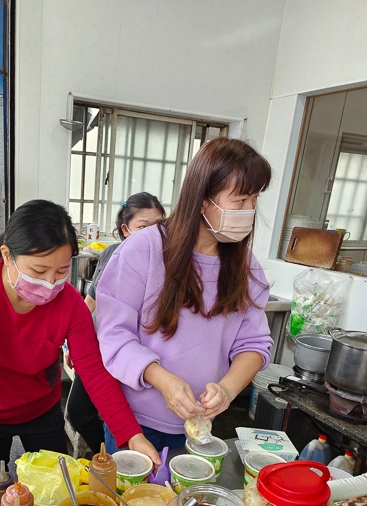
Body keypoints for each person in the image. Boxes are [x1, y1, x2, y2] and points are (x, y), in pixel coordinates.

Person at [0, 199, 160, 482]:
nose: (49, 283)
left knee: (57, 486)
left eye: (60, 272)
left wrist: (131, 435)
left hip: (41, 411)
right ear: (7, 256)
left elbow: (94, 373)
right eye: (39, 271)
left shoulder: (69, 303)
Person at [96, 137, 274, 453]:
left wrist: (227, 389)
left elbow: (255, 344)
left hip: (198, 428)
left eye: (255, 199)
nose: (250, 211)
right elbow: (112, 335)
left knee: (181, 502)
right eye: (241, 200)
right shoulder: (144, 250)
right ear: (203, 199)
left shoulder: (244, 266)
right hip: (134, 424)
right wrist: (162, 380)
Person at [65, 193, 166, 453]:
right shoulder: (112, 254)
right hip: (101, 347)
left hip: (136, 353)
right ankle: (106, 452)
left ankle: (121, 453)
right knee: (79, 411)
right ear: (125, 229)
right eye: (143, 227)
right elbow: (91, 302)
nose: (152, 234)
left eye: (159, 225)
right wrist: (76, 345)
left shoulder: (168, 259)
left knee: (125, 411)